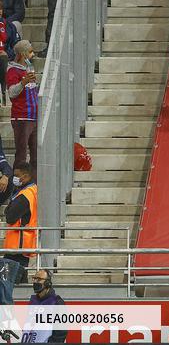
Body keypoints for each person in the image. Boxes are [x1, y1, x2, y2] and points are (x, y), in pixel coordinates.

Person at [2, 162, 35, 293]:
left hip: (17, 244)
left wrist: (9, 208)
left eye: (17, 175)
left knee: (8, 282)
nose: (14, 178)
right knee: (20, 279)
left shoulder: (24, 195)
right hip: (23, 243)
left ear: (25, 176)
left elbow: (10, 216)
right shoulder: (32, 190)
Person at [6, 41, 37, 169]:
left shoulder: (29, 69)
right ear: (22, 54)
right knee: (21, 155)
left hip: (34, 117)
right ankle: (17, 181)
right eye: (30, 52)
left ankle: (34, 180)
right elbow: (12, 93)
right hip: (21, 117)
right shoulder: (12, 70)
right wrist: (23, 82)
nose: (32, 54)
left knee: (36, 156)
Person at [21, 269, 67, 343]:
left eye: (39, 279)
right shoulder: (33, 301)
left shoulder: (56, 302)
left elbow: (61, 332)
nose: (35, 282)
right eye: (34, 278)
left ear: (47, 283)